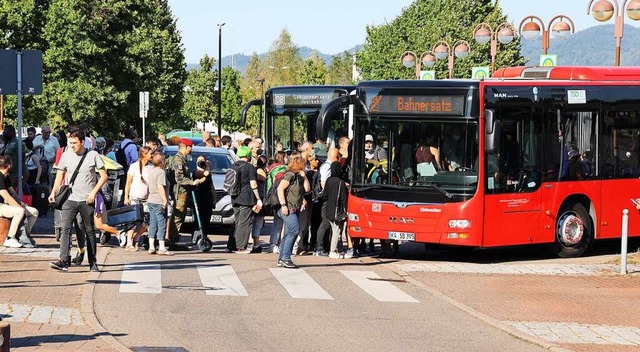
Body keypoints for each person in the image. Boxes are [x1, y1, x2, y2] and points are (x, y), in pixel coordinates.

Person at [48, 129, 107, 272]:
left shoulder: (93, 155)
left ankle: (93, 262)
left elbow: (104, 176)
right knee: (65, 229)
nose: (71, 145)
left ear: (82, 142)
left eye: (74, 143)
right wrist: (53, 192)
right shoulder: (66, 155)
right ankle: (63, 260)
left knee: (89, 231)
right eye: (70, 142)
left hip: (87, 200)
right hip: (70, 199)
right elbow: (59, 175)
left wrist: (93, 192)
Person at [275, 155, 310, 268]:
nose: (305, 166)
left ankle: (282, 258)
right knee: (295, 230)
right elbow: (280, 189)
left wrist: (305, 178)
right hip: (287, 207)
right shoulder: (289, 175)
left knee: (288, 233)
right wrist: (283, 205)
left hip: (296, 207)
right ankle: (286, 257)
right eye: (303, 164)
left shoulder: (299, 176)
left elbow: (307, 189)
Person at [166, 138, 202, 249]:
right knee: (177, 216)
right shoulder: (178, 160)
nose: (191, 149)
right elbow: (179, 178)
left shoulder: (183, 159)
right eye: (190, 147)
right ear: (185, 147)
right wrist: (192, 182)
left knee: (180, 216)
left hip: (183, 192)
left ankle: (173, 238)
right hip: (179, 192)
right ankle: (172, 240)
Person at [0, 156, 39, 248]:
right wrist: (19, 207)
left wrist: (21, 203)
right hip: (1, 205)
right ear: (9, 166)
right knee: (19, 211)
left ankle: (24, 236)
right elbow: (5, 195)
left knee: (34, 212)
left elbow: (12, 193)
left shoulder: (6, 177)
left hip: (5, 204)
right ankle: (10, 238)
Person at [230, 146, 261, 254]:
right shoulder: (249, 167)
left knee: (237, 222)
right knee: (244, 222)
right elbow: (253, 183)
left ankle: (232, 245)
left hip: (234, 197)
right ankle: (241, 247)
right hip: (246, 198)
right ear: (248, 156)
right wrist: (258, 198)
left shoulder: (233, 166)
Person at [316, 161, 349, 259]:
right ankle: (333, 250)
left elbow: (325, 194)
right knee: (336, 230)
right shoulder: (340, 182)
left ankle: (321, 246)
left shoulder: (329, 180)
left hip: (328, 208)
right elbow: (343, 198)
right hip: (336, 209)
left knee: (325, 226)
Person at [123, 146, 152, 251]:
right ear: (144, 154)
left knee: (148, 220)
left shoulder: (151, 167)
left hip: (147, 198)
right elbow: (128, 183)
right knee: (133, 221)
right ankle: (129, 242)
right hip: (134, 197)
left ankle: (137, 238)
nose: (152, 155)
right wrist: (126, 197)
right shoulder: (134, 166)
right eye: (150, 153)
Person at [146, 153, 172, 255]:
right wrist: (165, 200)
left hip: (151, 200)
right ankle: (162, 247)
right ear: (162, 162)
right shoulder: (161, 172)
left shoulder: (151, 171)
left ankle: (151, 246)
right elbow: (160, 186)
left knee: (153, 223)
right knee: (161, 223)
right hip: (158, 200)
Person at [192, 155, 216, 240]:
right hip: (199, 200)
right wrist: (208, 168)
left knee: (206, 220)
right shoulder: (196, 173)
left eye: (203, 160)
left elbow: (211, 186)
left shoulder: (209, 173)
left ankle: (204, 236)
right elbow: (205, 173)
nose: (202, 162)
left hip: (207, 199)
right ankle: (197, 237)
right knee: (198, 220)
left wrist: (214, 198)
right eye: (199, 160)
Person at [250, 155, 268, 253]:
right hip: (259, 199)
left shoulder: (253, 170)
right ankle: (256, 244)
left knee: (254, 222)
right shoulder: (260, 171)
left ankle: (254, 244)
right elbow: (266, 181)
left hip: (253, 199)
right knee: (257, 223)